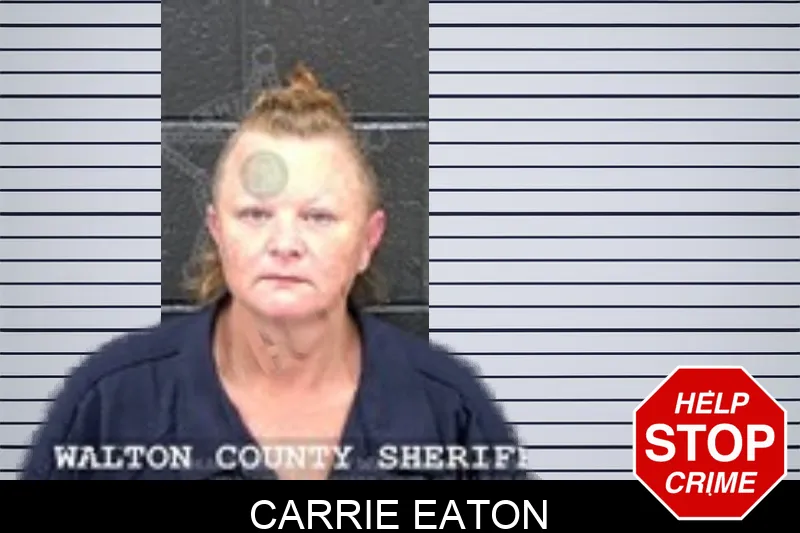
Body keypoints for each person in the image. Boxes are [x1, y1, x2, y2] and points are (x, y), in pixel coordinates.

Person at [19, 64, 531, 480]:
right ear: (217, 231)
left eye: (318, 217)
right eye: (255, 214)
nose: (285, 244)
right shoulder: (110, 404)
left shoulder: (448, 410)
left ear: (368, 241)